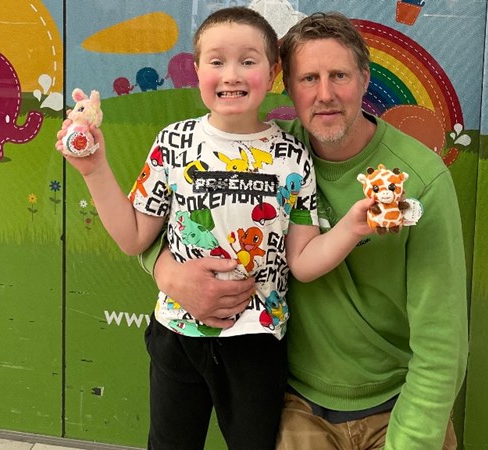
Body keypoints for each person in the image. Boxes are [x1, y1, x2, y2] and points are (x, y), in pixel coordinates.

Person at [145, 11, 469, 450]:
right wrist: (168, 273)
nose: (325, 95)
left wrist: (411, 440)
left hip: (395, 403)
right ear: (286, 85)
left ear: (365, 78)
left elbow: (442, 343)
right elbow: (153, 222)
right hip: (299, 403)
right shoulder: (272, 156)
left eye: (339, 76)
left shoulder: (420, 179)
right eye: (309, 79)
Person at [56, 7, 373, 450]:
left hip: (257, 343)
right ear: (197, 69)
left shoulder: (293, 156)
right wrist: (94, 169)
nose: (232, 75)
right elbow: (133, 237)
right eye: (217, 61)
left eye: (248, 61)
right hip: (176, 336)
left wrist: (352, 227)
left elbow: (302, 262)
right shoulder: (173, 143)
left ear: (273, 72)